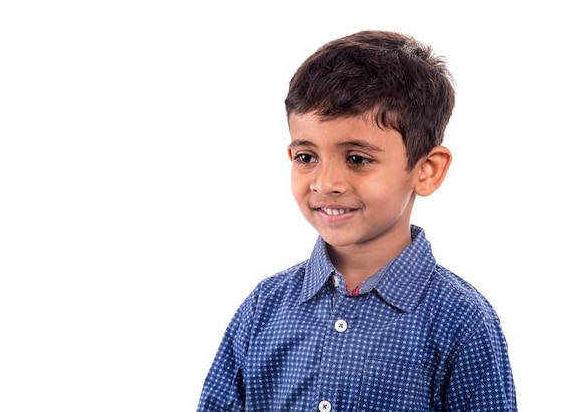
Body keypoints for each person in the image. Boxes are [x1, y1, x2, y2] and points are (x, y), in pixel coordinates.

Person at [197, 30, 517, 411]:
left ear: (426, 170)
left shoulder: (461, 320)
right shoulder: (262, 309)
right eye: (306, 157)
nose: (326, 183)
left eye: (357, 159)